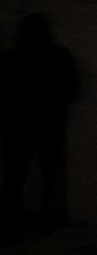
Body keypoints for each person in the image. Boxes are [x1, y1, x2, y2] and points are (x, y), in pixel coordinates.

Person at [0, 13, 80, 232]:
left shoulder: (11, 58)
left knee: (26, 175)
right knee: (41, 175)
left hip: (26, 128)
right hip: (41, 127)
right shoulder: (57, 56)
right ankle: (44, 217)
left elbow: (72, 86)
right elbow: (72, 86)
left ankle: (16, 218)